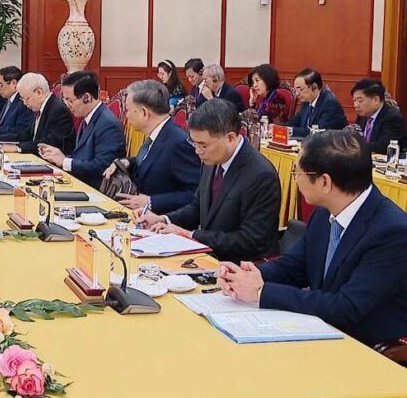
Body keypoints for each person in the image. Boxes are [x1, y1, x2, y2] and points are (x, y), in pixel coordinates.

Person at [217, 131, 407, 347]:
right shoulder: (325, 212)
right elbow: (294, 267)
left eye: (297, 172)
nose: (295, 179)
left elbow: (347, 307)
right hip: (322, 327)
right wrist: (246, 276)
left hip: (364, 345)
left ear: (324, 182)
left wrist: (262, 292)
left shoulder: (392, 232)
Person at [138, 99, 281, 262]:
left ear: (230, 138)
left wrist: (191, 236)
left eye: (203, 145)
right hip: (209, 258)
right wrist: (163, 219)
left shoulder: (260, 174)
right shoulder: (212, 159)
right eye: (195, 144)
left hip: (242, 266)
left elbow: (250, 241)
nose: (197, 151)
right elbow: (198, 207)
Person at [105, 80, 200, 214]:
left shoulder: (178, 142)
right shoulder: (157, 134)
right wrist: (127, 162)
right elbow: (152, 162)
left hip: (162, 220)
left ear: (144, 113)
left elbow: (195, 194)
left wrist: (151, 201)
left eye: (128, 110)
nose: (126, 115)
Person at [38, 71, 124, 188]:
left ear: (87, 97)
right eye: (64, 100)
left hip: (95, 189)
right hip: (80, 182)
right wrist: (59, 156)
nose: (67, 105)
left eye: (70, 100)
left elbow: (102, 166)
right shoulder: (88, 117)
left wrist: (65, 161)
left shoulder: (107, 124)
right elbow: (83, 157)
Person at [0, 72, 75, 156]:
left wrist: (18, 148)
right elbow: (26, 135)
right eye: (22, 99)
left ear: (39, 92)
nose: (25, 103)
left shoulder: (58, 110)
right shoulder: (38, 107)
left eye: (26, 99)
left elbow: (49, 143)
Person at [285, 68, 347, 137]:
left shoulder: (330, 104)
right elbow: (295, 122)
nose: (297, 94)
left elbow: (318, 133)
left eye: (300, 89)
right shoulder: (306, 101)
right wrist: (280, 128)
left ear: (314, 87)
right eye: (295, 90)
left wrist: (290, 131)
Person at [351, 78, 406, 155]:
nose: (356, 105)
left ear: (376, 100)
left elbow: (383, 147)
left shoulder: (393, 118)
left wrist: (353, 146)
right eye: (354, 100)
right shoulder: (363, 115)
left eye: (360, 101)